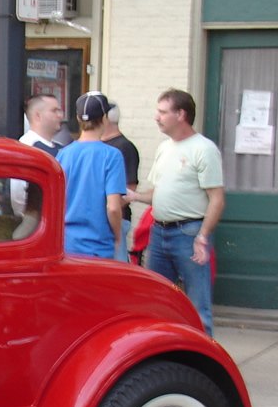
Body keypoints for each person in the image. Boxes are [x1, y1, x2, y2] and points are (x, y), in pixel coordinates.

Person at [125, 88, 225, 337]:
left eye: (162, 112)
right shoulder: (164, 148)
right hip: (159, 233)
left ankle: (204, 368)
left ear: (181, 114)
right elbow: (157, 192)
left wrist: (203, 236)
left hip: (189, 233)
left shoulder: (204, 149)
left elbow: (217, 199)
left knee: (197, 304)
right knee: (157, 300)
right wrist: (135, 197)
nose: (156, 117)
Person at [56, 91, 126, 259]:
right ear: (104, 119)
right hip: (98, 247)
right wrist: (118, 236)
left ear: (79, 120)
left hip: (66, 245)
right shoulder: (112, 156)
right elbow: (113, 207)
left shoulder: (63, 155)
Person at [102, 100, 140, 262]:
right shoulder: (99, 146)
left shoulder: (125, 147)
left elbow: (129, 189)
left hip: (116, 220)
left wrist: (110, 208)